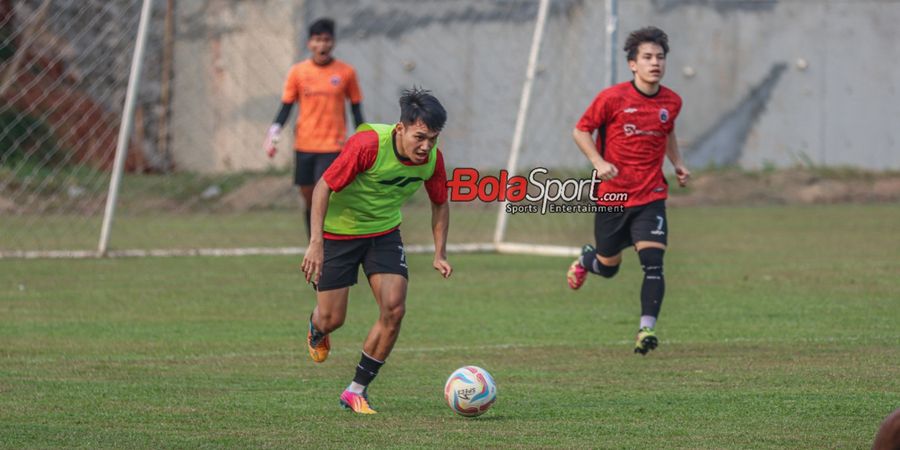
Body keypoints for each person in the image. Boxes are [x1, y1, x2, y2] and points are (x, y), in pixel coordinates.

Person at [300, 87, 452, 414]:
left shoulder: (433, 160)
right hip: (338, 234)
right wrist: (316, 243)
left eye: (433, 139)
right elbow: (324, 187)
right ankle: (317, 328)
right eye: (420, 137)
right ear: (401, 129)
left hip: (383, 234)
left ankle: (356, 390)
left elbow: (440, 204)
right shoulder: (368, 146)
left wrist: (440, 252)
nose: (426, 146)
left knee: (394, 309)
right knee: (332, 319)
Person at [566, 26, 691, 355]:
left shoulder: (672, 101)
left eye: (660, 57)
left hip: (651, 196)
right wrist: (597, 161)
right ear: (633, 64)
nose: (655, 63)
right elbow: (581, 131)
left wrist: (677, 163)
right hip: (613, 195)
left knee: (653, 261)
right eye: (647, 57)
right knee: (608, 267)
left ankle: (646, 329)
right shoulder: (612, 98)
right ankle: (586, 259)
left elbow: (667, 132)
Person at [264, 17, 364, 240]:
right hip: (305, 143)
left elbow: (356, 108)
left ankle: (330, 241)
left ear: (333, 43)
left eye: (327, 40)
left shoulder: (346, 72)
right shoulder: (298, 72)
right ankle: (314, 241)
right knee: (308, 195)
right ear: (310, 43)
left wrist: (363, 136)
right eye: (317, 40)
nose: (322, 45)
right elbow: (286, 106)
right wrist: (274, 132)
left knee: (326, 192)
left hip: (333, 144)